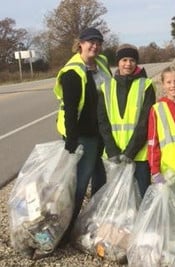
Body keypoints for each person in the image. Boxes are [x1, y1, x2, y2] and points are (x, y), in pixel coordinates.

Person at [53, 27, 112, 245]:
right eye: (90, 42)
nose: (94, 46)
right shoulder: (72, 71)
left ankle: (91, 224)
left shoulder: (103, 62)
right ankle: (65, 231)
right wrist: (71, 140)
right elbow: (69, 108)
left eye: (98, 42)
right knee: (79, 183)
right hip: (82, 135)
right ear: (81, 44)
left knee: (101, 179)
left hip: (102, 133)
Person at [98, 43, 155, 198]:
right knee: (118, 199)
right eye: (124, 60)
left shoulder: (146, 85)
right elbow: (102, 121)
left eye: (132, 60)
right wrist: (111, 150)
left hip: (139, 155)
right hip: (114, 156)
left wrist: (130, 152)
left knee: (142, 197)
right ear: (118, 62)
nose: (128, 64)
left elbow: (146, 121)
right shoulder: (106, 87)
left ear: (136, 62)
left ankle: (143, 223)